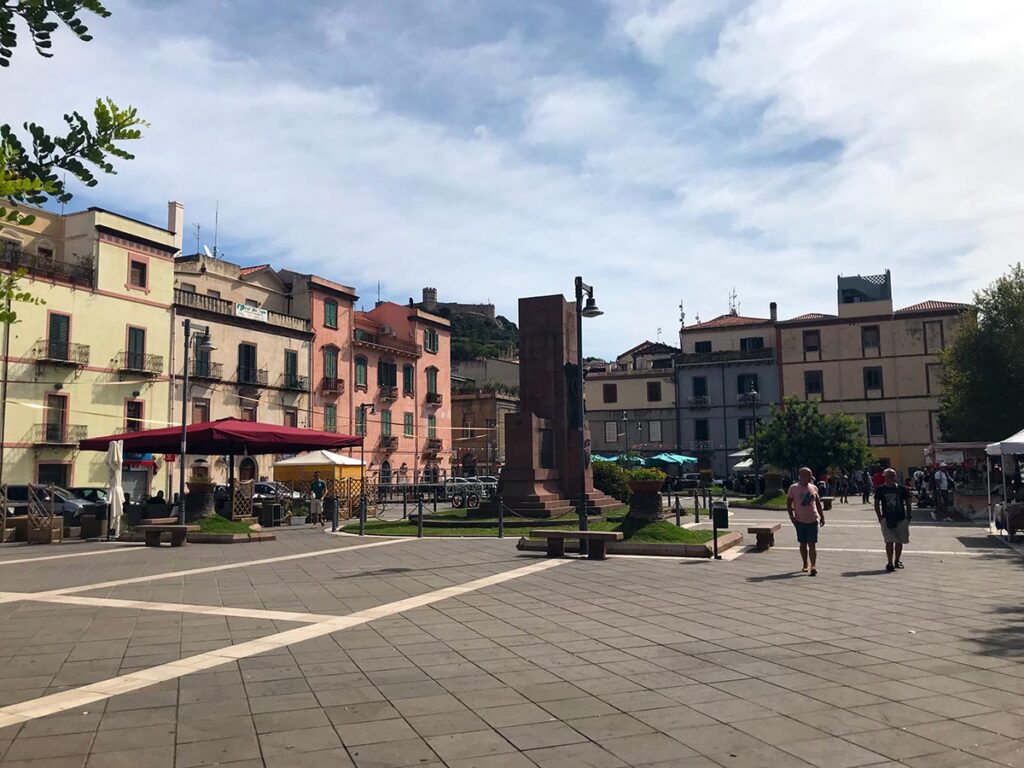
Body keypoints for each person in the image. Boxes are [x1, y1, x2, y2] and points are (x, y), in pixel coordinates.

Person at [787, 467, 826, 576]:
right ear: (802, 476)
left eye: (811, 474)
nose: (810, 477)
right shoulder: (793, 488)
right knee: (803, 544)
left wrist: (822, 516)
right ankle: (805, 563)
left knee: (812, 544)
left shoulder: (813, 487)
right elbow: (789, 503)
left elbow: (817, 503)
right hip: (800, 521)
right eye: (808, 474)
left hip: (813, 520)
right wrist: (791, 516)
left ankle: (813, 565)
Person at [875, 468, 912, 571]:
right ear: (885, 477)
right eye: (891, 475)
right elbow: (877, 504)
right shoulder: (880, 489)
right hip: (887, 518)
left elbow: (908, 503)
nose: (894, 478)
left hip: (900, 518)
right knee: (889, 541)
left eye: (894, 475)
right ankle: (890, 562)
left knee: (899, 541)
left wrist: (908, 517)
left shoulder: (902, 489)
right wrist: (880, 517)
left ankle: (897, 560)